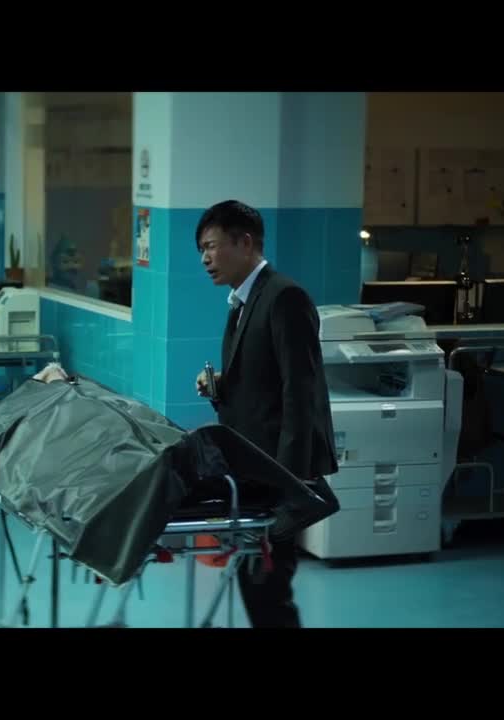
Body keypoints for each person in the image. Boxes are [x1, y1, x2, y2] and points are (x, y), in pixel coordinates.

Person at [194, 200, 338, 628]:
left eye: (212, 246)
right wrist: (221, 384)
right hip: (253, 467)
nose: (205, 259)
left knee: (269, 590)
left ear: (245, 242)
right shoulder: (242, 302)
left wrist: (291, 483)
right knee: (256, 585)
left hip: (278, 471)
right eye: (202, 250)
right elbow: (266, 379)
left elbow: (301, 391)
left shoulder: (284, 296)